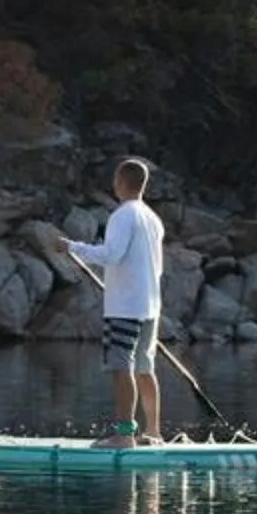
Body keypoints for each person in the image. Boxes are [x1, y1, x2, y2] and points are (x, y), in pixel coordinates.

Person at [49, 158, 168, 447]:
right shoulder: (153, 219)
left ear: (120, 182)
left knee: (121, 366)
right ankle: (153, 432)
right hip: (150, 306)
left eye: (115, 178)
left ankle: (124, 435)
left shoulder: (123, 215)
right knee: (144, 367)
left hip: (126, 307)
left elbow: (111, 255)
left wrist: (71, 247)